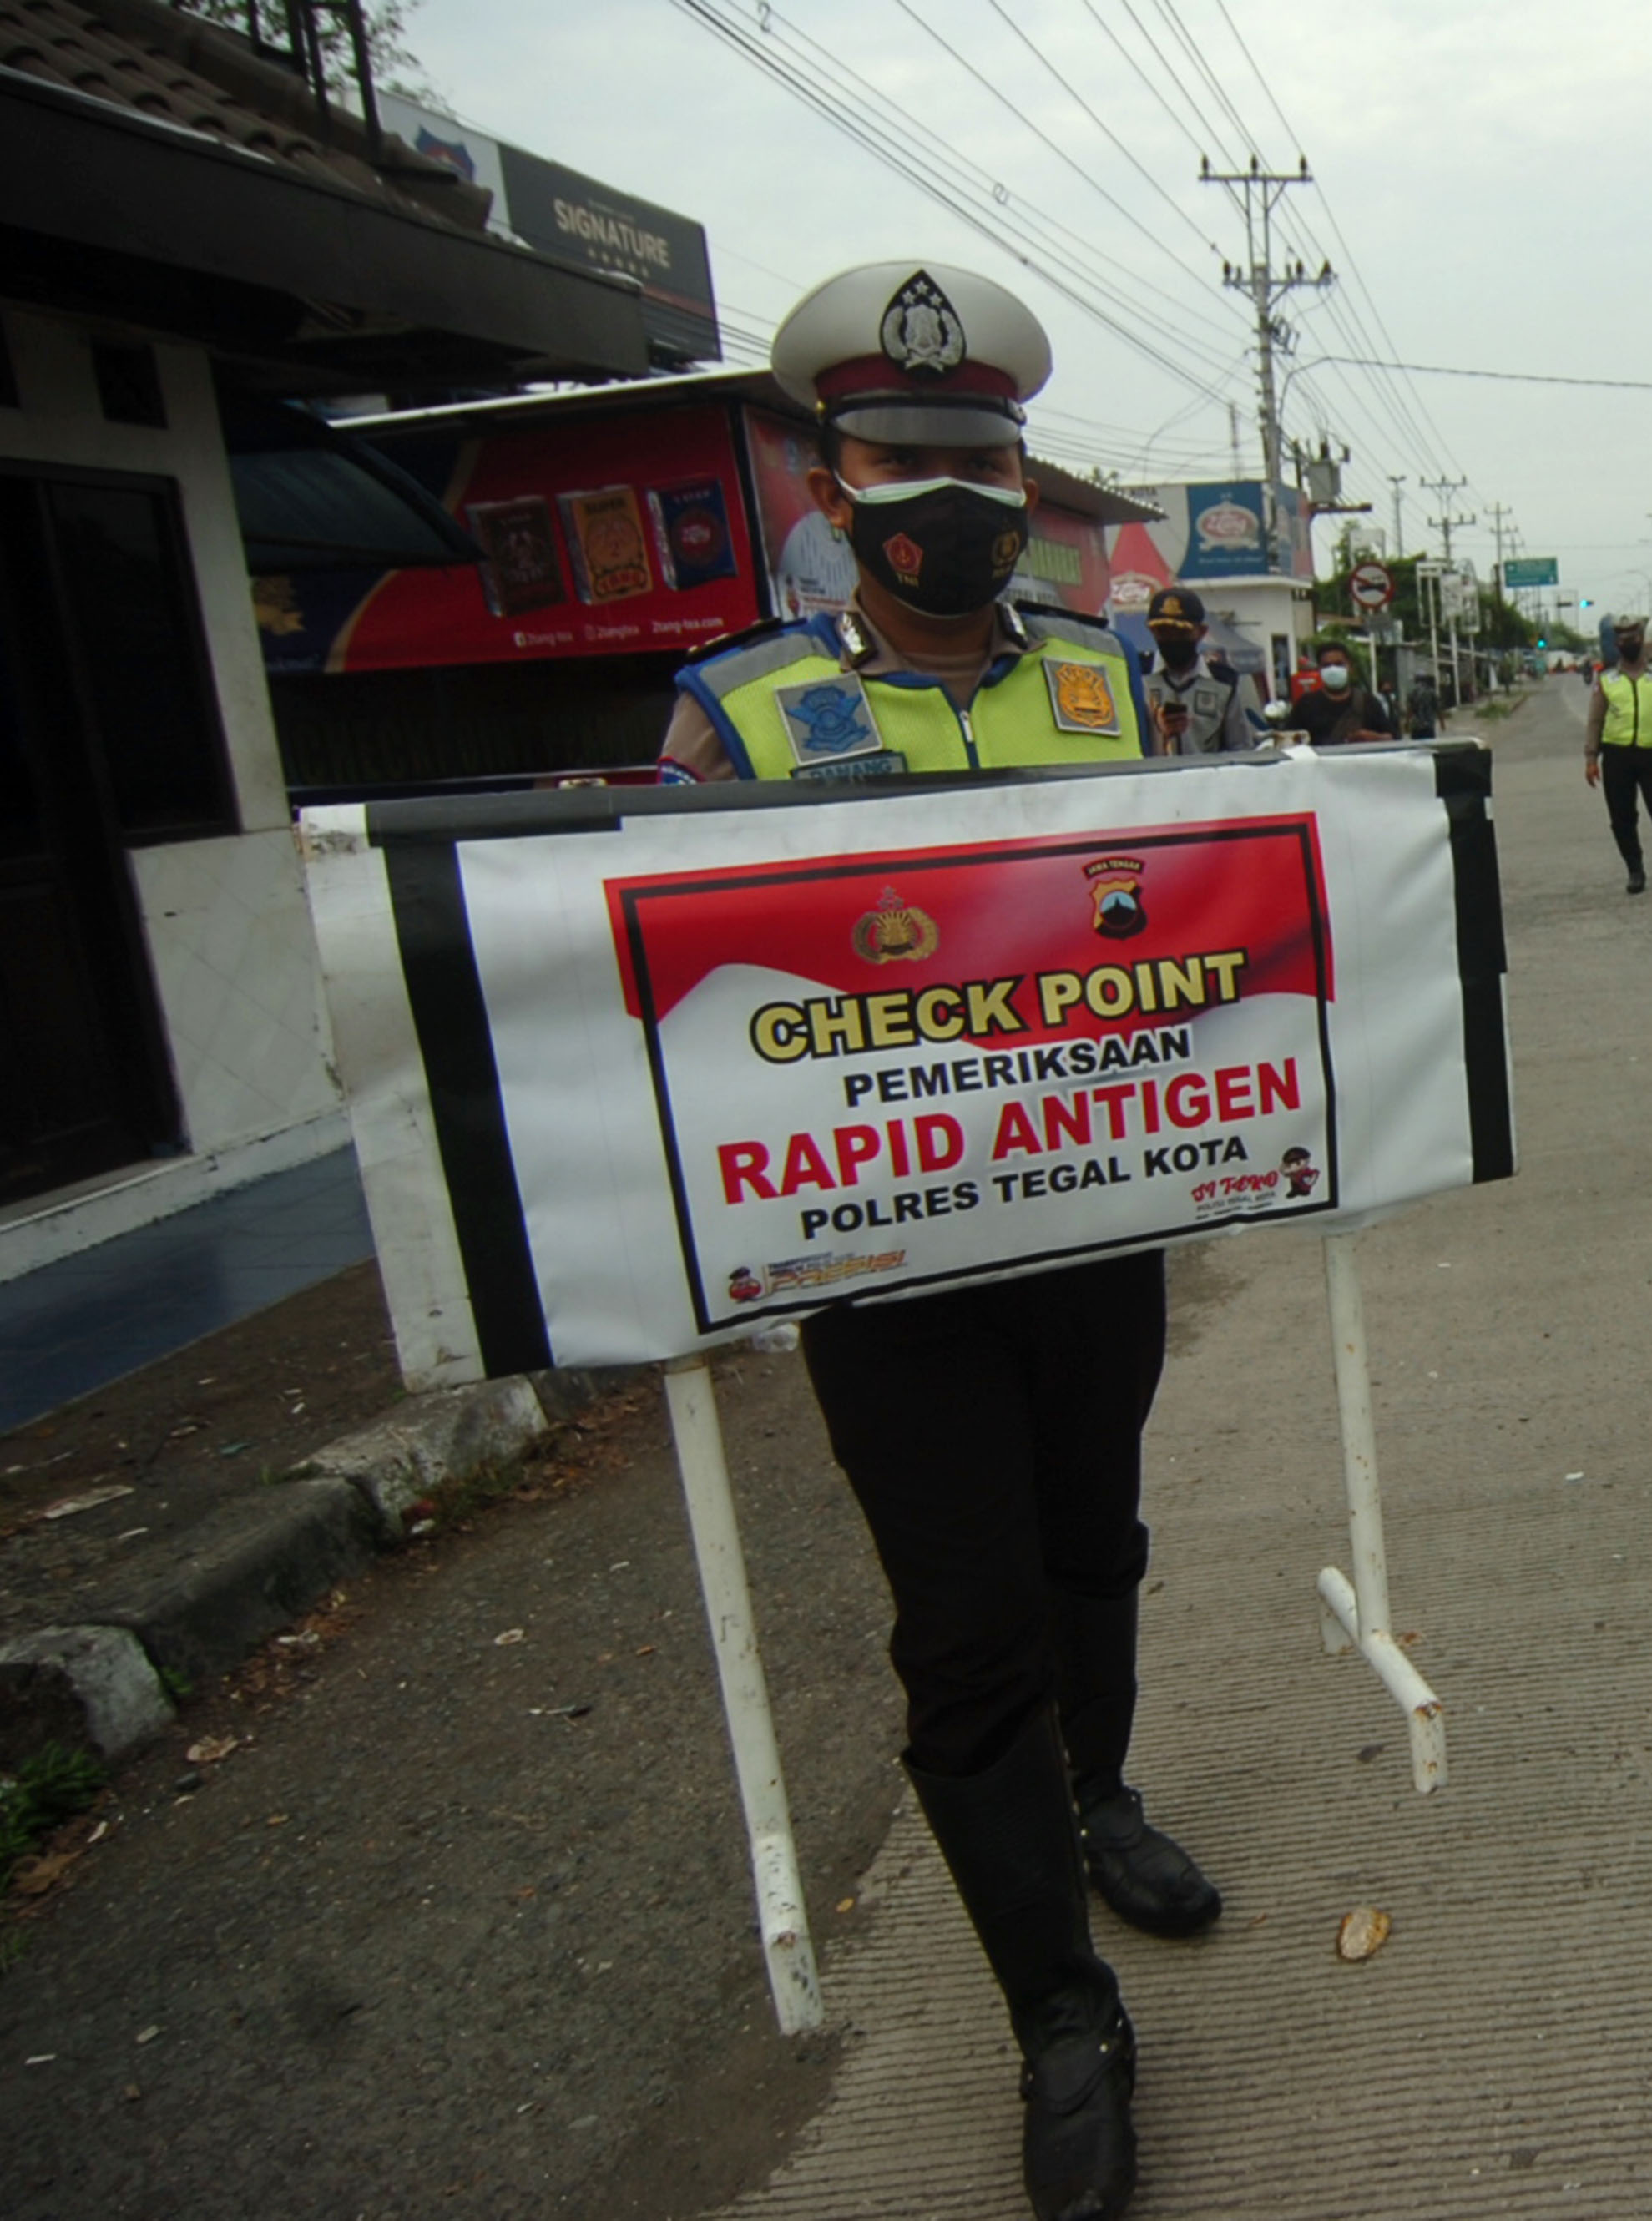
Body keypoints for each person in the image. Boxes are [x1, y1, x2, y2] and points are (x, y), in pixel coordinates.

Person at [661, 260, 1210, 2221]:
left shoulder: (1105, 677)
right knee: (964, 1628)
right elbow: (666, 996)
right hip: (881, 1274)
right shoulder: (738, 710)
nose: (944, 494)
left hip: (1097, 1223)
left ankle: (1101, 1793)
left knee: (1096, 1543)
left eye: (979, 456)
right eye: (900, 457)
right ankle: (1061, 2017)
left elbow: (1211, 905)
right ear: (829, 471)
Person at [1583, 614, 1652, 893]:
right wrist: (1591, 758)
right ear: (1617, 644)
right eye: (1622, 640)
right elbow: (1595, 720)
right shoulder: (1607, 679)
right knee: (1622, 817)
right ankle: (1635, 870)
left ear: (1641, 640)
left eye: (1633, 638)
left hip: (1651, 756)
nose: (1628, 644)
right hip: (1617, 758)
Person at [1139, 584, 1255, 755]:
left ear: (1201, 632)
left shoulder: (1222, 682)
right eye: (1163, 632)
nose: (1172, 639)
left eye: (1181, 633)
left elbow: (1240, 748)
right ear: (1151, 631)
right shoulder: (1138, 677)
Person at [1288, 644, 1394, 744]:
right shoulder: (1305, 705)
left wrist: (1374, 738)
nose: (1333, 669)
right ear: (1319, 670)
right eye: (1327, 665)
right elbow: (1289, 741)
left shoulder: (1369, 703)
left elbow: (1393, 738)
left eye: (1339, 664)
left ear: (1350, 667)